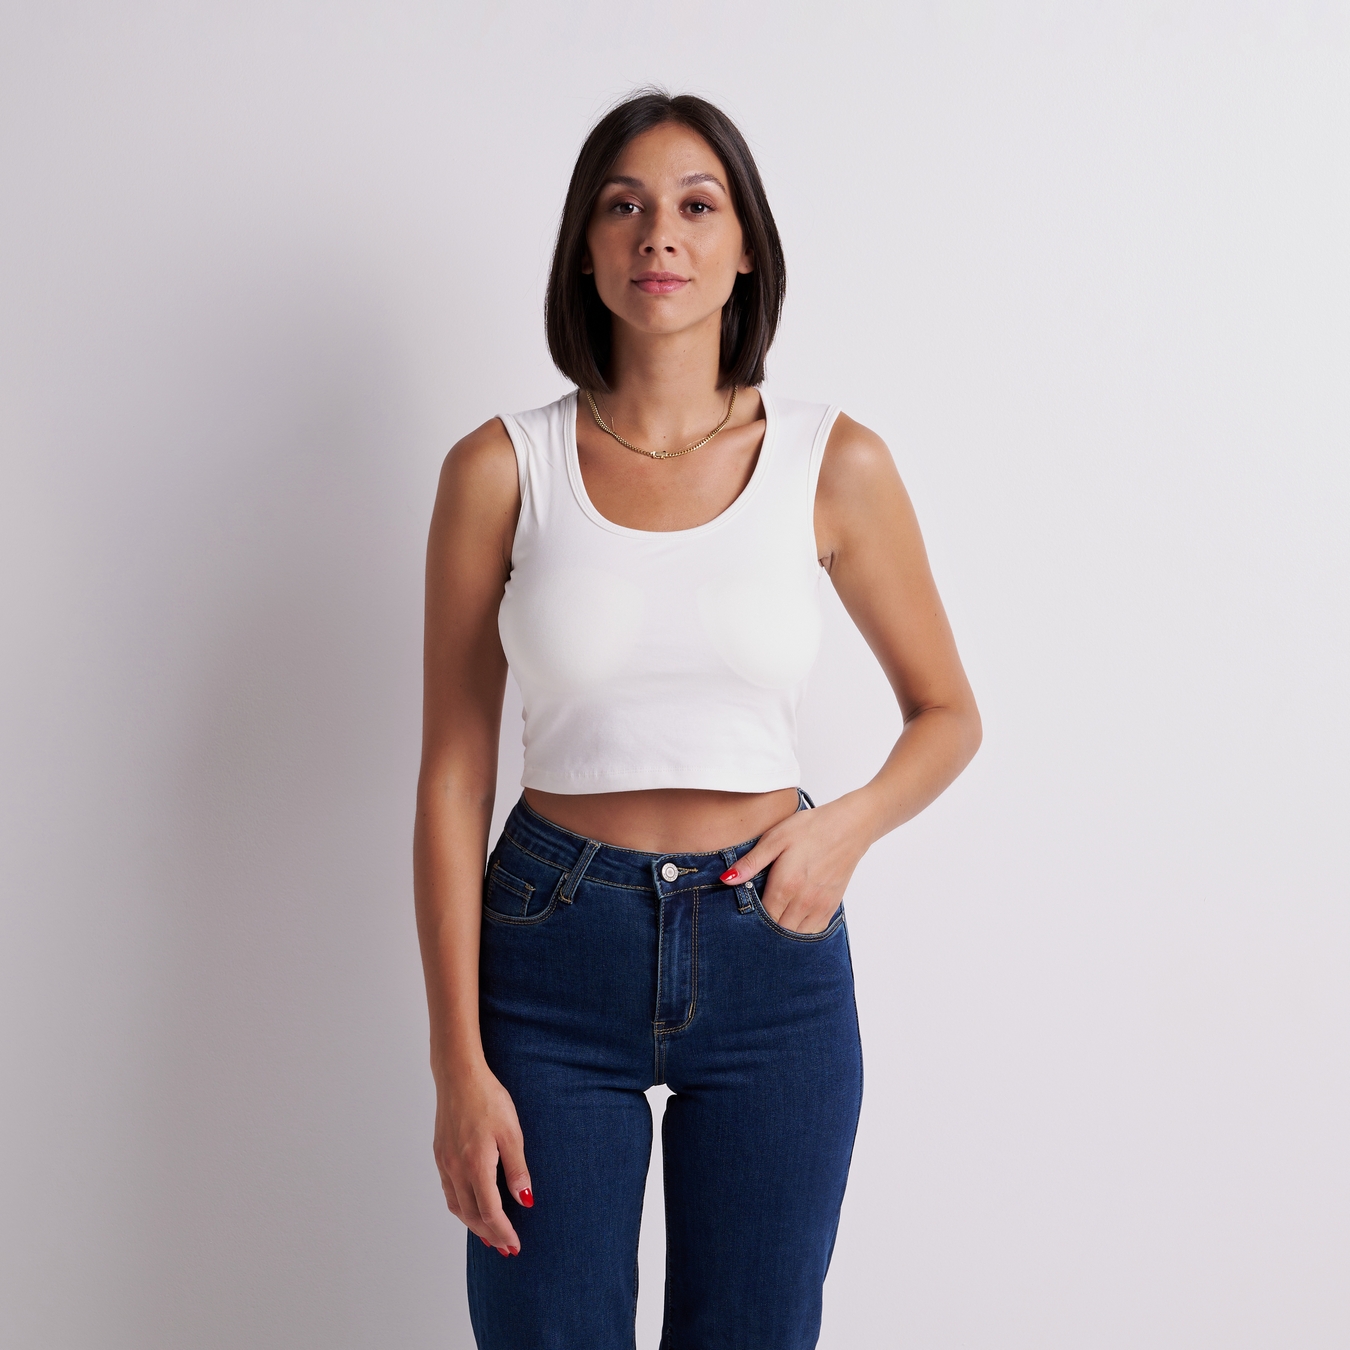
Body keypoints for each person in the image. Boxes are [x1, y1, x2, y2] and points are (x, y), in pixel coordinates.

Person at [414, 89, 981, 1350]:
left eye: (695, 205)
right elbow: (453, 775)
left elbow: (948, 713)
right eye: (623, 206)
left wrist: (844, 829)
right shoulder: (501, 468)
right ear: (585, 248)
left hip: (771, 947)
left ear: (745, 249)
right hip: (551, 955)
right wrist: (456, 1061)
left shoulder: (835, 462)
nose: (658, 233)